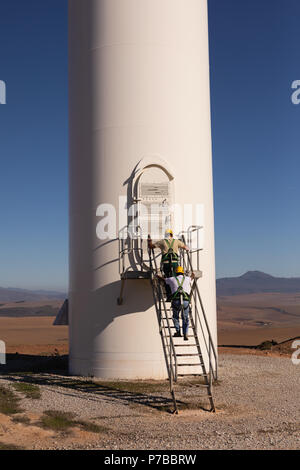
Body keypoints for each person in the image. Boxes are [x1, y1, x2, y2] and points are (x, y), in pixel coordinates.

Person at [165, 266, 194, 341]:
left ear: (176, 272)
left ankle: (178, 331)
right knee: (185, 317)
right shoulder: (187, 279)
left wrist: (157, 276)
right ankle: (185, 333)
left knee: (175, 317)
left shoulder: (172, 279)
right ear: (183, 272)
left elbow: (164, 280)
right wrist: (192, 273)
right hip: (185, 301)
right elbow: (192, 277)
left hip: (176, 301)